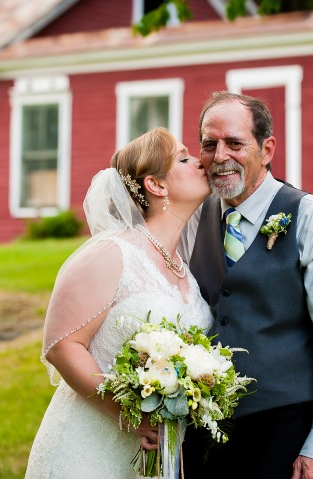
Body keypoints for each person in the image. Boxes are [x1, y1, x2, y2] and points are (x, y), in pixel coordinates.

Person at [180, 91, 313, 479]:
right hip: (203, 427)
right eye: (209, 144)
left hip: (284, 425)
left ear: (267, 149)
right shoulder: (193, 217)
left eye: (234, 143)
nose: (220, 155)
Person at [25, 127, 213, 478]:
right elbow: (61, 345)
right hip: (89, 448)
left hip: (159, 454)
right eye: (184, 158)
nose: (200, 162)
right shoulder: (112, 253)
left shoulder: (185, 270)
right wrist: (127, 414)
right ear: (156, 185)